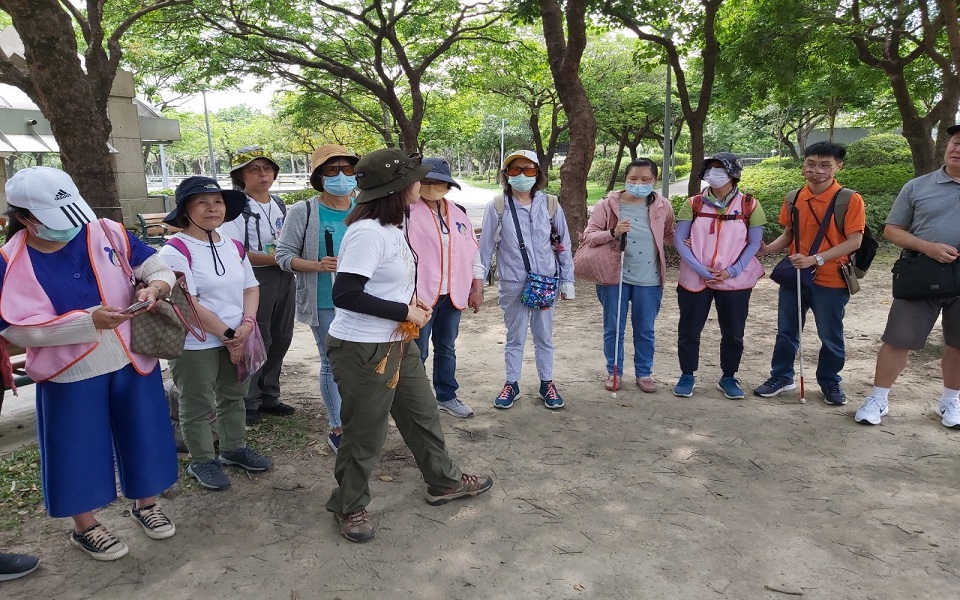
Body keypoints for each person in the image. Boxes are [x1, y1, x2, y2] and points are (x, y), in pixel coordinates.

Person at [0, 166, 179, 561]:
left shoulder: (105, 231)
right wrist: (86, 323)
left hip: (132, 357)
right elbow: (14, 329)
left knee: (144, 433)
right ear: (24, 218)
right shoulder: (9, 263)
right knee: (75, 446)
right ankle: (86, 526)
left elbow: (156, 265)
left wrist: (157, 285)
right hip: (69, 369)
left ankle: (146, 504)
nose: (70, 228)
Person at [325, 148, 493, 543]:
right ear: (398, 186)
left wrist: (408, 303)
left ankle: (444, 482)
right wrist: (403, 309)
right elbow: (346, 294)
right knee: (365, 433)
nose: (422, 183)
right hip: (364, 349)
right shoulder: (367, 232)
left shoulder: (392, 226)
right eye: (415, 177)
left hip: (399, 342)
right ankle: (349, 504)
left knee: (421, 415)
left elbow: (384, 282)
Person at [159, 176, 273, 491]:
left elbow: (251, 287)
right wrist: (228, 332)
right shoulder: (175, 250)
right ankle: (202, 460)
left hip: (238, 333)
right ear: (185, 210)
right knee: (196, 403)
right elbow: (188, 303)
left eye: (218, 202)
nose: (213, 208)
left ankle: (234, 448)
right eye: (202, 203)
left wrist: (247, 325)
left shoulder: (233, 246)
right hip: (197, 342)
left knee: (233, 395)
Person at [854, 124, 960, 427]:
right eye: (955, 142)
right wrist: (928, 247)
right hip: (921, 274)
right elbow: (892, 230)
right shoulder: (918, 186)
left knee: (958, 343)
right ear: (946, 146)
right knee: (897, 339)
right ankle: (878, 398)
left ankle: (951, 401)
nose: (958, 149)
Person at [755, 142, 865, 405]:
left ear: (839, 166)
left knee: (830, 334)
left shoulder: (849, 199)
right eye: (811, 163)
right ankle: (781, 376)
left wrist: (815, 259)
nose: (817, 170)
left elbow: (854, 241)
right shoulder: (794, 197)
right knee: (787, 331)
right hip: (795, 277)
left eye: (825, 165)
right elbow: (789, 234)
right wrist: (767, 249)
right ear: (804, 164)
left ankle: (830, 381)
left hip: (832, 279)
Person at [276, 144, 359, 452]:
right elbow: (284, 256)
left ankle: (360, 417)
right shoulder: (304, 211)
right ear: (319, 176)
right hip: (325, 299)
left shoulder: (364, 207)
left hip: (365, 301)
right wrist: (318, 265)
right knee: (332, 362)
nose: (341, 176)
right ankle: (337, 426)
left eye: (348, 169)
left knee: (361, 361)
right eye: (332, 170)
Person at [478, 150, 575, 410]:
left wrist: (567, 280)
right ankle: (512, 383)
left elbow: (562, 244)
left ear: (538, 174)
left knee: (544, 336)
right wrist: (477, 283)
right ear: (506, 175)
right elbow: (485, 248)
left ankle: (547, 383)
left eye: (529, 170)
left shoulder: (551, 205)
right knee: (515, 336)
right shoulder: (497, 206)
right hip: (513, 282)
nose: (522, 175)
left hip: (545, 282)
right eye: (515, 170)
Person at [673, 152, 765, 399]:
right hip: (695, 278)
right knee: (689, 330)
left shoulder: (749, 205)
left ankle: (728, 377)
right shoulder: (692, 204)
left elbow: (755, 243)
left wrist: (731, 271)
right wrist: (701, 270)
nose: (714, 174)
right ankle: (687, 374)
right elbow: (679, 240)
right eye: (710, 168)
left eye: (719, 168)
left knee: (734, 332)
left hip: (735, 280)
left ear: (733, 173)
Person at [580, 158, 674, 393]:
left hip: (649, 278)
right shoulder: (608, 205)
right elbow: (589, 236)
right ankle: (614, 371)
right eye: (633, 179)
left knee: (645, 329)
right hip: (615, 277)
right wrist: (613, 232)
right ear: (625, 179)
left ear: (655, 180)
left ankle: (644, 373)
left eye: (645, 179)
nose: (639, 184)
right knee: (614, 327)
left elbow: (668, 233)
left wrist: (689, 245)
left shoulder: (663, 205)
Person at [221, 146, 296, 425]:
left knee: (282, 334)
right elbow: (236, 249)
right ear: (241, 176)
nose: (263, 174)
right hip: (255, 276)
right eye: (254, 169)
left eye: (267, 169)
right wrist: (278, 259)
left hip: (284, 273)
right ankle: (248, 399)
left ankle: (269, 394)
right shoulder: (236, 208)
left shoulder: (278, 203)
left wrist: (286, 260)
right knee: (257, 336)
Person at [406, 157, 484, 418]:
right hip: (420, 297)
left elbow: (473, 253)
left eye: (438, 182)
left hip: (453, 294)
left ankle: (447, 395)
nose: (431, 187)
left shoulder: (458, 212)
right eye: (425, 181)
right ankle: (413, 401)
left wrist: (477, 288)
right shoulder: (405, 212)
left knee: (446, 346)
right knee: (418, 350)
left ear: (448, 185)